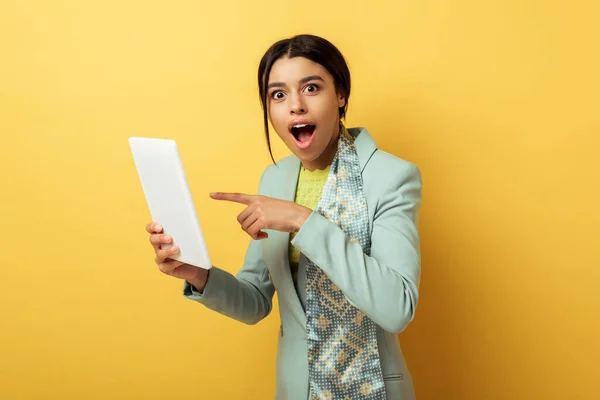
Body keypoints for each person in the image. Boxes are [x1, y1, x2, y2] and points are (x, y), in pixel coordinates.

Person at [145, 34, 423, 400]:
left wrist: (302, 219)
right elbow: (254, 301)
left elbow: (397, 308)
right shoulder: (275, 179)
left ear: (340, 96)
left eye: (311, 88)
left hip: (373, 389)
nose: (295, 105)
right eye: (278, 94)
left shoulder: (390, 177)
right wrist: (197, 275)